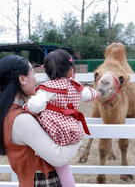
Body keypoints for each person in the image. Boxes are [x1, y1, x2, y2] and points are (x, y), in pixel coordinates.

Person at [0, 54, 81, 187]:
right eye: (32, 72)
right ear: (22, 79)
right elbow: (58, 157)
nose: (35, 78)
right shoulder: (21, 120)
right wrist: (79, 133)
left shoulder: (10, 113)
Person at [24, 49, 100, 187]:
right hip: (72, 132)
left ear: (47, 71)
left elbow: (36, 106)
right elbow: (88, 94)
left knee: (58, 165)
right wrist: (96, 93)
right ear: (71, 71)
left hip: (53, 133)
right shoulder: (76, 86)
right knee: (64, 167)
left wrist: (26, 106)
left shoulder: (46, 88)